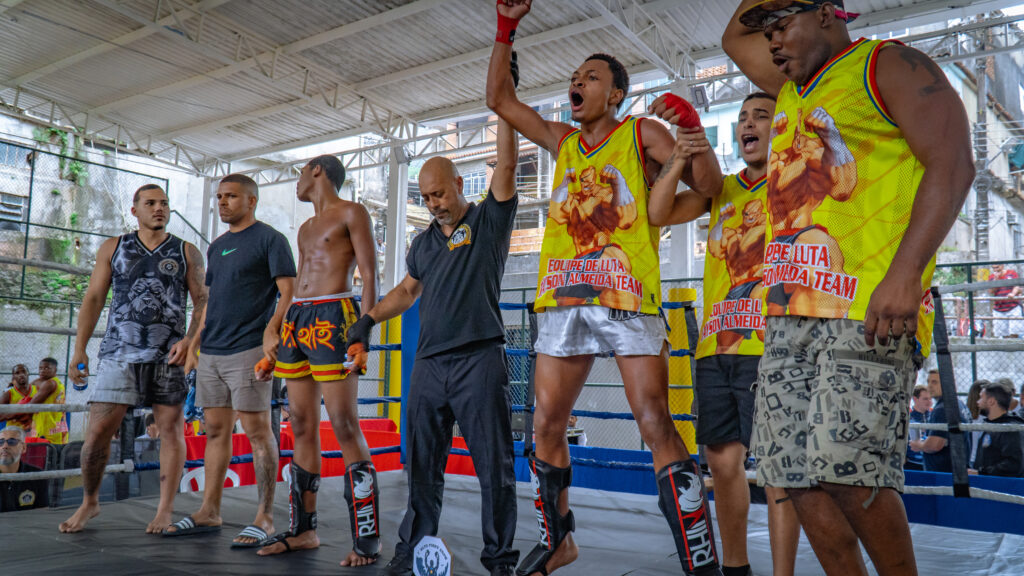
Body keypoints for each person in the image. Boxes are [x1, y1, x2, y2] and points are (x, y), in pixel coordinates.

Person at [723, 1, 975, 574]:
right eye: (769, 32)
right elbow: (734, 37)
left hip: (866, 307)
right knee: (794, 476)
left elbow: (954, 163)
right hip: (787, 311)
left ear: (826, 14)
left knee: (848, 470)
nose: (772, 41)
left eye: (783, 26)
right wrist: (773, 17)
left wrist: (905, 273)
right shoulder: (790, 89)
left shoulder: (887, 65)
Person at [487, 3, 724, 575]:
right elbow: (499, 100)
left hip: (625, 294)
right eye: (575, 77)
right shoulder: (563, 140)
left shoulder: (641, 132)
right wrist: (505, 29)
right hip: (563, 297)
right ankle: (559, 541)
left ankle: (701, 560)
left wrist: (691, 131)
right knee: (545, 424)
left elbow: (710, 187)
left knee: (654, 421)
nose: (577, 82)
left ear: (615, 94)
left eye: (590, 76)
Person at [349, 61, 521, 575]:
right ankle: (412, 550)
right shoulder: (423, 244)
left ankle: (499, 559)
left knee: (494, 467)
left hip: (478, 359)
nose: (433, 204)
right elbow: (407, 291)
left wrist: (506, 102)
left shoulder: (488, 220)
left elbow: (507, 166)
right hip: (428, 365)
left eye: (439, 194)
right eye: (425, 197)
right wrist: (367, 320)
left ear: (459, 184)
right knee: (422, 466)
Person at [651, 92, 801, 576]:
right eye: (741, 118)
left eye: (761, 116)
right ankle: (736, 568)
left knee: (777, 469)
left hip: (774, 343)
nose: (748, 124)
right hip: (717, 344)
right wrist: (681, 152)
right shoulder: (721, 189)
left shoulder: (796, 181)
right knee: (721, 463)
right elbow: (658, 212)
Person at [60, 183, 206, 534]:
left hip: (168, 355)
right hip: (118, 353)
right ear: (134, 210)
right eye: (150, 203)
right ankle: (90, 502)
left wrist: (190, 341)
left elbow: (202, 299)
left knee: (171, 431)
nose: (159, 208)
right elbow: (94, 297)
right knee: (97, 431)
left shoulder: (187, 251)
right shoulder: (114, 247)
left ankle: (165, 510)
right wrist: (80, 348)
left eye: (164, 203)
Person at [259, 154, 380, 569]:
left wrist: (363, 333)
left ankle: (367, 538)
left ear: (317, 170)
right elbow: (297, 284)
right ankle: (304, 530)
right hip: (299, 318)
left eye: (299, 173)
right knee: (300, 422)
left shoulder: (352, 212)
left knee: (344, 423)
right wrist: (277, 328)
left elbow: (370, 274)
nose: (296, 182)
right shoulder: (305, 227)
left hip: (336, 314)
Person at [164, 173, 296, 548]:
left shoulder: (270, 239)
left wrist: (272, 330)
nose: (222, 202)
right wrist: (194, 345)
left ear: (251, 201)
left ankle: (264, 517)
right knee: (216, 432)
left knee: (257, 431)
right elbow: (210, 301)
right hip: (213, 352)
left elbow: (288, 291)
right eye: (220, 196)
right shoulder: (218, 246)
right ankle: (209, 510)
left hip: (249, 349)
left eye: (231, 196)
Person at [910, 370, 972, 473]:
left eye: (934, 382)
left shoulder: (942, 409)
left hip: (943, 473)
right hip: (956, 469)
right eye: (928, 381)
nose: (929, 386)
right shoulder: (959, 404)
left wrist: (919, 445)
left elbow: (935, 444)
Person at [969, 382, 1024, 477]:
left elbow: (1014, 464)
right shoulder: (990, 424)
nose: (978, 402)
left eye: (981, 398)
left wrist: (982, 473)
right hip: (986, 482)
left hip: (1001, 485)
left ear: (991, 401)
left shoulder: (1010, 429)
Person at [0, 427, 50, 512]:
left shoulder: (38, 476)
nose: (4, 446)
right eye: (0, 442)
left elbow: (42, 513)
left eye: (12, 442)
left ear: (23, 448)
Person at [26, 358, 68, 444]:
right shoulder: (58, 383)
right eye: (40, 368)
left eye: (46, 368)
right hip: (58, 427)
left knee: (43, 451)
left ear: (55, 369)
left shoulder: (49, 384)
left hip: (46, 429)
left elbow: (31, 405)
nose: (42, 371)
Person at [989, 264, 1022, 338]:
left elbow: (1016, 285)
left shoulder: (1011, 273)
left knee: (1015, 331)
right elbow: (991, 291)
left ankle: (1014, 344)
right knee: (1002, 333)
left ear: (1002, 266)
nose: (995, 270)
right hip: (999, 308)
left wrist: (1013, 294)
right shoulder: (992, 277)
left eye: (997, 267)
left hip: (1013, 307)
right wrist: (996, 281)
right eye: (993, 268)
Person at [0, 364, 35, 432]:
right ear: (13, 376)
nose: (21, 375)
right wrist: (17, 414)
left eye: (23, 371)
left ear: (28, 373)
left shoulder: (38, 390)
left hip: (34, 431)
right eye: (17, 373)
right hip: (14, 432)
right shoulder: (8, 394)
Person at [905, 385, 931, 471]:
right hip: (912, 463)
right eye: (925, 399)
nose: (929, 402)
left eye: (930, 399)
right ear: (915, 399)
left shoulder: (934, 416)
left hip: (931, 463)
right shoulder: (908, 418)